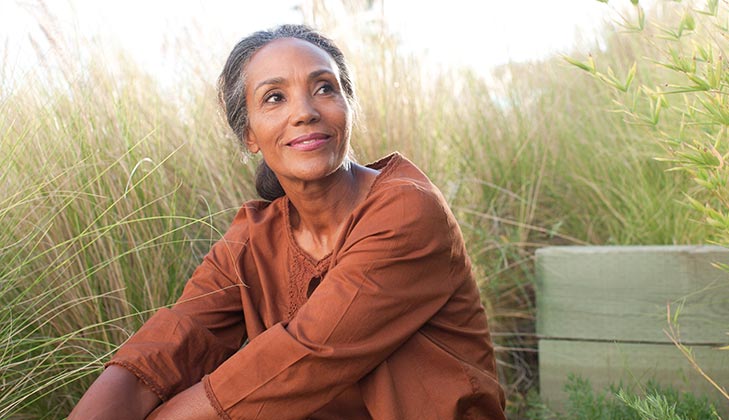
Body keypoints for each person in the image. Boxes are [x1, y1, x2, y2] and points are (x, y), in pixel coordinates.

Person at [69, 24, 506, 420]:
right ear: (249, 134)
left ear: (348, 107)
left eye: (324, 88)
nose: (305, 112)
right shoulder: (253, 238)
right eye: (275, 97)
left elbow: (309, 353)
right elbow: (174, 341)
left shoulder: (406, 210)